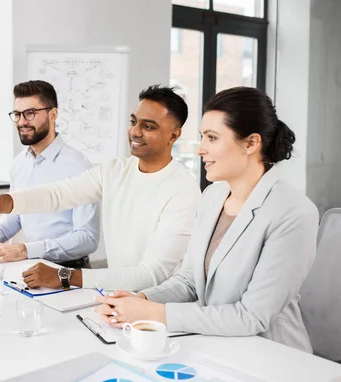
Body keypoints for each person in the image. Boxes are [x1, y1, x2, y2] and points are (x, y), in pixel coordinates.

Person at [94, 86, 319, 353]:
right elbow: (189, 281)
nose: (200, 149)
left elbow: (251, 316)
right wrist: (141, 298)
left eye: (212, 138)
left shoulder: (293, 212)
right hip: (211, 343)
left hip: (270, 354)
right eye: (202, 137)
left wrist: (155, 313)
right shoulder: (213, 196)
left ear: (251, 143)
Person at [0, 85, 200, 291]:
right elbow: (57, 195)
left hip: (160, 309)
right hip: (119, 295)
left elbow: (152, 275)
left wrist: (64, 276)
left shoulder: (182, 189)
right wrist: (0, 202)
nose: (135, 132)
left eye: (148, 126)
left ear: (174, 135)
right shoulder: (114, 170)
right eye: (133, 122)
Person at [0, 80, 99, 269]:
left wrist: (26, 250)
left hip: (69, 270)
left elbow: (88, 238)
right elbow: (16, 216)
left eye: (30, 113)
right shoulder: (19, 163)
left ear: (53, 114)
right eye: (17, 114)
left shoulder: (78, 166)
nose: (22, 122)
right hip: (32, 265)